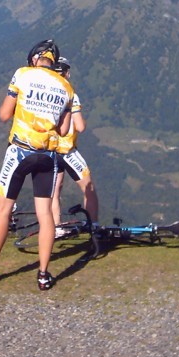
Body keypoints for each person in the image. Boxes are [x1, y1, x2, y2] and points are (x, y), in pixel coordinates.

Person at [0, 39, 73, 290]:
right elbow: (64, 129)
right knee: (45, 214)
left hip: (20, 152)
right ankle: (44, 274)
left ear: (35, 59)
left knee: (3, 210)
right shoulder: (67, 87)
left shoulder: (22, 74)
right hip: (48, 156)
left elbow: (4, 114)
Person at [51, 57, 99, 230]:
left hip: (49, 152)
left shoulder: (48, 94)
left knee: (54, 193)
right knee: (89, 188)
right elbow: (80, 126)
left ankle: (56, 229)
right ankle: (93, 225)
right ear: (67, 73)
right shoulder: (71, 94)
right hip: (68, 151)